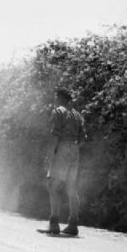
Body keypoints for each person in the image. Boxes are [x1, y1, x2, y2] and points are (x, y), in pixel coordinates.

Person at [43, 87, 86, 236]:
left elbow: (54, 134)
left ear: (60, 98)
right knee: (71, 187)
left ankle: (54, 224)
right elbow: (83, 139)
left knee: (54, 186)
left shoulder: (58, 112)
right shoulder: (77, 115)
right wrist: (73, 149)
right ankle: (73, 224)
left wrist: (50, 154)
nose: (55, 100)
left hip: (61, 148)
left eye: (56, 97)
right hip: (75, 150)